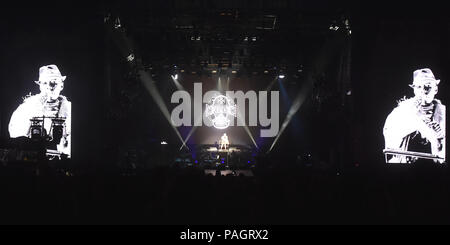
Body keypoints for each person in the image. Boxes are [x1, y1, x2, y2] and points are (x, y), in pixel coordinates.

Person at [383, 68, 445, 163]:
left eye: (428, 86)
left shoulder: (443, 113)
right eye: (419, 87)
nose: (423, 90)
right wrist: (411, 117)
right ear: (414, 90)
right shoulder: (401, 112)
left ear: (436, 89)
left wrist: (440, 137)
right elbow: (390, 139)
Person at [8, 64, 71, 157]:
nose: (50, 86)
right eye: (45, 83)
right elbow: (16, 136)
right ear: (40, 86)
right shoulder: (26, 108)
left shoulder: (69, 109)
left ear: (62, 85)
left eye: (54, 82)